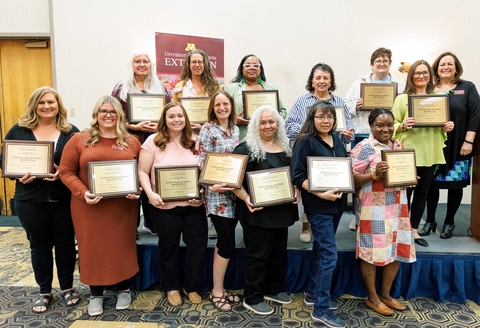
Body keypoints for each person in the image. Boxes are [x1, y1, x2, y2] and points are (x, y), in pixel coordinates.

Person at [59, 96, 141, 316]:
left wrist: (137, 190)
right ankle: (96, 294)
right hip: (89, 207)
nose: (108, 115)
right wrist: (83, 193)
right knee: (91, 248)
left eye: (113, 112)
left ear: (120, 115)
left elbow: (142, 172)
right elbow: (65, 172)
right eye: (104, 111)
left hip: (123, 207)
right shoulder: (80, 139)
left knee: (121, 246)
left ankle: (124, 288)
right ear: (96, 113)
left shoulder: (132, 141)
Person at [0, 86, 80, 313]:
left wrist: (64, 173)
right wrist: (18, 176)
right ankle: (44, 291)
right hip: (30, 199)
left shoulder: (70, 131)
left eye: (51, 102)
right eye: (42, 102)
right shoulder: (19, 130)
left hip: (64, 199)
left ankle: (67, 288)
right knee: (39, 245)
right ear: (34, 105)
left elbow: (80, 161)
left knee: (65, 244)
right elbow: (5, 161)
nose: (46, 106)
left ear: (58, 106)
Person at [138, 102, 207, 307]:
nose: (176, 120)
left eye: (180, 116)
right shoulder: (153, 141)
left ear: (185, 118)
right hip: (163, 207)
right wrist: (150, 194)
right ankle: (172, 287)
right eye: (171, 116)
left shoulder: (195, 140)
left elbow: (204, 172)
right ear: (164, 119)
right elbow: (142, 171)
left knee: (198, 247)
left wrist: (201, 192)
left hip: (193, 206)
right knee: (169, 248)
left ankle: (192, 286)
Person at [232, 105, 299, 315]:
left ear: (277, 124)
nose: (268, 126)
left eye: (271, 122)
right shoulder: (245, 148)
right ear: (255, 125)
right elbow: (233, 182)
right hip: (257, 213)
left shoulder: (286, 147)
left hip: (282, 211)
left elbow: (295, 175)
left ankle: (272, 289)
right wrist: (246, 197)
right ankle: (252, 297)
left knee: (278, 254)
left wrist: (296, 189)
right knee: (257, 256)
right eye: (262, 122)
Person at [351, 108, 416, 316]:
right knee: (370, 252)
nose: (385, 129)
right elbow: (351, 179)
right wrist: (374, 173)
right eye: (380, 125)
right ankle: (372, 297)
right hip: (374, 208)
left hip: (398, 205)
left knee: (396, 247)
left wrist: (411, 178)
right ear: (371, 126)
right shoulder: (363, 148)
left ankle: (386, 294)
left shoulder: (398, 145)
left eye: (389, 125)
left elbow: (401, 171)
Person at [291, 100, 348, 328]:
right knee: (329, 254)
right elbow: (297, 175)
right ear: (312, 118)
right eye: (321, 116)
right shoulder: (305, 141)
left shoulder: (338, 140)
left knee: (320, 249)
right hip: (318, 206)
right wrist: (320, 193)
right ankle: (321, 310)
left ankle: (314, 293)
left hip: (336, 205)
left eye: (330, 116)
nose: (326, 120)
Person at [285, 63, 354, 243]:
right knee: (309, 190)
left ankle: (323, 231)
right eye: (318, 77)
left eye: (326, 77)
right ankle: (306, 226)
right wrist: (310, 129)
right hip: (308, 151)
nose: (322, 81)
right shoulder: (302, 101)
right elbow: (289, 126)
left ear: (331, 81)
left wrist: (346, 134)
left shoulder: (339, 102)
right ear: (312, 81)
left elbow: (347, 128)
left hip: (331, 153)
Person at [392, 60, 455, 247]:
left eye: (425, 72)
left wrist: (447, 126)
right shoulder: (402, 99)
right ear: (411, 76)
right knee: (405, 194)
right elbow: (392, 124)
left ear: (430, 75)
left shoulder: (440, 97)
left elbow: (442, 125)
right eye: (417, 73)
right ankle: (400, 230)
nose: (421, 76)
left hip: (429, 151)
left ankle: (413, 230)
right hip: (407, 153)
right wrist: (402, 126)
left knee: (422, 194)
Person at [344, 47, 406, 231]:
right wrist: (355, 105)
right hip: (363, 133)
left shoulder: (399, 84)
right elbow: (345, 105)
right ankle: (358, 213)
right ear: (372, 64)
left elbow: (403, 108)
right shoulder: (359, 83)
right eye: (378, 61)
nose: (381, 63)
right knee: (360, 175)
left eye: (385, 60)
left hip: (386, 136)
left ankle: (389, 212)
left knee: (387, 175)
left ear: (390, 63)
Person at [423, 52, 480, 239]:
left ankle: (449, 222)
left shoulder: (467, 87)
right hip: (434, 146)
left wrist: (468, 141)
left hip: (459, 145)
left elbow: (475, 116)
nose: (446, 67)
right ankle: (430, 220)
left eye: (450, 64)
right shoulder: (429, 88)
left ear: (456, 67)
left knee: (456, 186)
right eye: (442, 64)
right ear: (436, 68)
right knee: (431, 185)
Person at [112, 49, 168, 236]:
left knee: (152, 179)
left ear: (151, 65)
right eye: (138, 61)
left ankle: (152, 223)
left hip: (155, 141)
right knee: (132, 181)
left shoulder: (161, 88)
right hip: (130, 141)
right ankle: (131, 225)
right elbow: (113, 116)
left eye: (146, 61)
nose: (142, 64)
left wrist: (159, 128)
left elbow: (169, 115)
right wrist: (133, 127)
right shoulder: (121, 88)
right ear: (132, 64)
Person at [198, 91, 241, 311]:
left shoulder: (234, 129)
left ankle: (220, 288)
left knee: (224, 243)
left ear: (231, 106)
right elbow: (201, 159)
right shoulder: (207, 129)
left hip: (233, 194)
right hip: (216, 195)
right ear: (213, 108)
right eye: (218, 104)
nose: (222, 107)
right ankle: (216, 291)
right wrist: (208, 185)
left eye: (226, 104)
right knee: (226, 242)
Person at [172, 49, 221, 238]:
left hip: (210, 134)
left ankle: (213, 220)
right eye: (194, 62)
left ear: (206, 64)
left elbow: (220, 108)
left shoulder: (215, 85)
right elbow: (175, 109)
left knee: (211, 173)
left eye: (200, 62)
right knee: (194, 172)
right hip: (188, 135)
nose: (197, 65)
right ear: (188, 65)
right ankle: (193, 216)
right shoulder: (181, 86)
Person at [225, 54, 287, 140]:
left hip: (268, 138)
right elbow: (221, 113)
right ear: (242, 69)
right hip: (241, 137)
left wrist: (278, 115)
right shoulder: (230, 89)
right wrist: (233, 119)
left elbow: (283, 111)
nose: (252, 67)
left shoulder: (271, 88)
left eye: (255, 65)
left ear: (260, 69)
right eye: (247, 65)